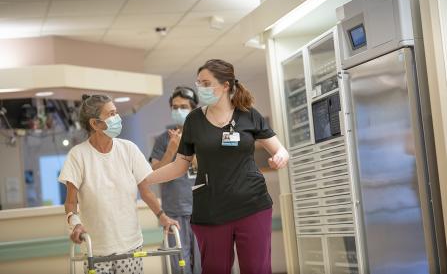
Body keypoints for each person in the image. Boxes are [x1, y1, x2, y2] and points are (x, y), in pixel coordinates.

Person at [139, 59, 290, 274]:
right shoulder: (194, 121)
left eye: (206, 83)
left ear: (225, 85)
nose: (201, 88)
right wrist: (145, 178)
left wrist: (280, 158)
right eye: (198, 83)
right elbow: (179, 166)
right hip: (211, 212)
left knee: (257, 269)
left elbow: (280, 150)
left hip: (252, 205)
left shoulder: (249, 115)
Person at [58, 94, 179, 274]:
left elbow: (146, 190)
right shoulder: (78, 155)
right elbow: (70, 201)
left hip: (130, 244)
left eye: (116, 113)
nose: (118, 118)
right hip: (96, 249)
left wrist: (162, 216)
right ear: (95, 124)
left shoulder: (128, 149)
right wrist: (75, 223)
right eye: (111, 114)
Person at [149, 86, 201, 274]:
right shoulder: (163, 139)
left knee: (204, 265)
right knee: (180, 267)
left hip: (203, 210)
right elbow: (154, 174)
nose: (178, 111)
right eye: (175, 107)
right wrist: (172, 149)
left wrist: (185, 147)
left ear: (193, 108)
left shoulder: (204, 135)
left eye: (183, 106)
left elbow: (210, 168)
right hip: (174, 214)